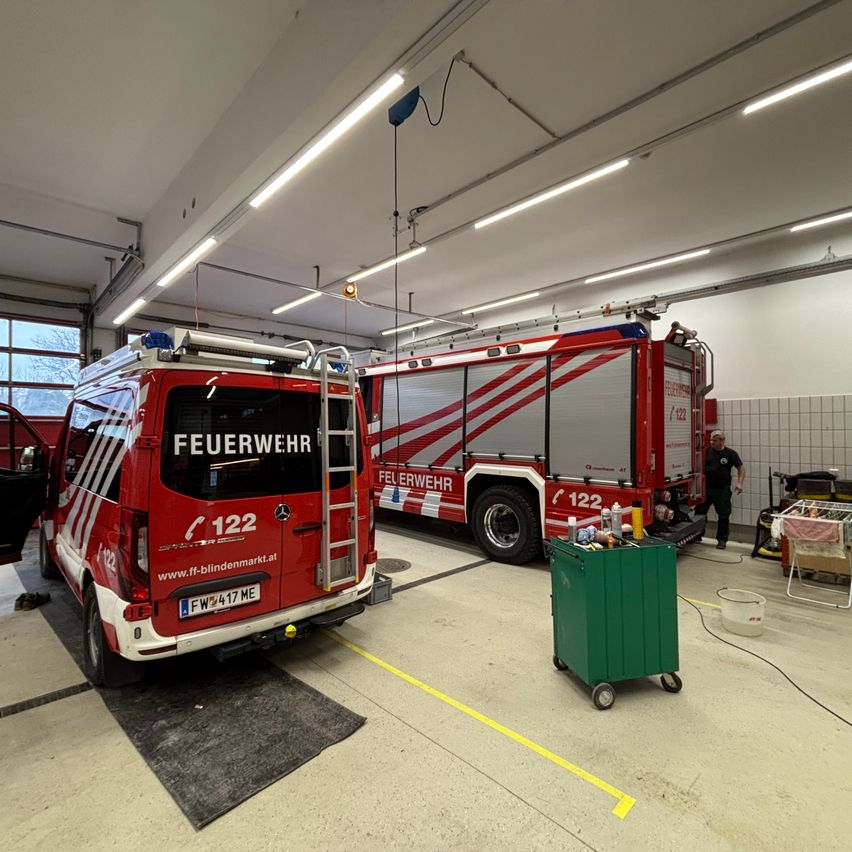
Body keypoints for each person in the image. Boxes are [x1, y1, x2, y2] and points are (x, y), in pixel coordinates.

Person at [696, 429, 745, 549]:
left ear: (722, 441)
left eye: (714, 440)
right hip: (706, 489)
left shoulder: (730, 453)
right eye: (711, 440)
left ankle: (722, 540)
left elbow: (741, 468)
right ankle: (697, 535)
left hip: (722, 490)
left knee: (723, 516)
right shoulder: (706, 452)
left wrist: (740, 483)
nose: (711, 442)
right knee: (700, 513)